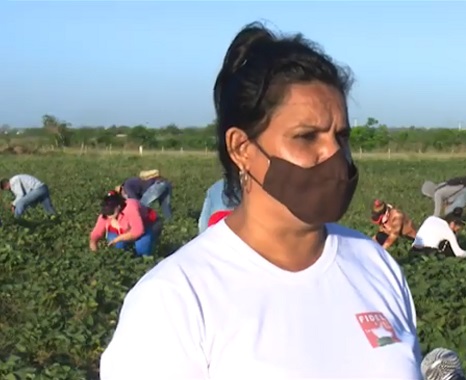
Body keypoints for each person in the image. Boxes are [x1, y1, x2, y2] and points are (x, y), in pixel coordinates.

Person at [100, 22, 421, 379]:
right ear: (241, 149)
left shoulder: (376, 267)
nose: (334, 155)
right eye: (306, 136)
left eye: (341, 136)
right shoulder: (176, 300)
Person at [89, 191, 162, 257]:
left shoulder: (130, 208)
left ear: (118, 207)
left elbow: (138, 231)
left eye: (111, 213)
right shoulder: (105, 214)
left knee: (141, 245)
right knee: (117, 246)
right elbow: (97, 232)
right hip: (123, 229)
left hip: (148, 224)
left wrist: (118, 239)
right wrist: (93, 243)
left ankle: (145, 260)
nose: (109, 216)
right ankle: (126, 257)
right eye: (107, 213)